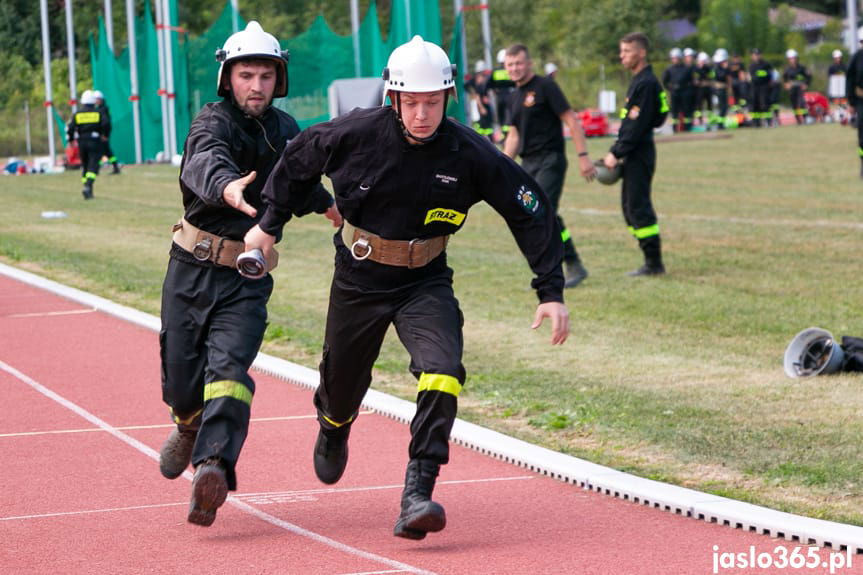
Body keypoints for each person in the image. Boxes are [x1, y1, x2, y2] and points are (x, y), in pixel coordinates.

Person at [244, 35, 570, 540]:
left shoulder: (470, 152)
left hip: (426, 279)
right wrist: (268, 225)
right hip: (359, 275)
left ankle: (419, 489)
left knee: (443, 371)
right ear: (393, 99)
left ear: (448, 98)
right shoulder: (353, 133)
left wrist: (550, 290)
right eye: (411, 102)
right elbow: (296, 162)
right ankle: (333, 428)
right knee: (341, 385)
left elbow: (530, 210)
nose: (422, 114)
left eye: (433, 103)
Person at [157, 21, 340, 528]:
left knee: (230, 372)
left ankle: (213, 466)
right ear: (228, 78)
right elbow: (204, 162)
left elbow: (299, 181)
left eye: (264, 75)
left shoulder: (287, 131)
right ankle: (188, 424)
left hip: (247, 274)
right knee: (181, 380)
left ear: (277, 79)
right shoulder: (210, 122)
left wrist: (328, 205)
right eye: (245, 75)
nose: (256, 85)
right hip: (190, 269)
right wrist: (227, 189)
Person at [501, 43, 595, 288]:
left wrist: (583, 156)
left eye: (519, 63)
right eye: (510, 65)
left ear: (529, 63)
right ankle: (563, 266)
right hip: (528, 163)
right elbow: (514, 135)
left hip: (550, 159)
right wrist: (500, 165)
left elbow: (572, 120)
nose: (515, 68)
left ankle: (570, 265)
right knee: (537, 214)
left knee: (543, 211)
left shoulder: (546, 87)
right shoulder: (513, 96)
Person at [602, 32, 669, 276]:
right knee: (630, 207)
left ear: (641, 53)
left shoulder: (646, 83)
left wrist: (615, 152)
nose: (622, 56)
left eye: (627, 51)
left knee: (638, 207)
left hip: (639, 152)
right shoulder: (641, 80)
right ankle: (650, 260)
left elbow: (636, 126)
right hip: (635, 151)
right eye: (621, 52)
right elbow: (660, 115)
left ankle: (654, 263)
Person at [66, 89, 109, 199]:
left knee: (85, 165)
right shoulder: (98, 113)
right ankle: (89, 186)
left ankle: (86, 187)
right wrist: (104, 135)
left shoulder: (78, 114)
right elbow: (106, 124)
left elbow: (70, 128)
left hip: (82, 142)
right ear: (93, 101)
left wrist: (71, 140)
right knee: (93, 165)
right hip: (94, 141)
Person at [661, 47, 693, 132]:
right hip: (674, 93)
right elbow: (664, 81)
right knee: (674, 112)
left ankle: (687, 128)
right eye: (674, 58)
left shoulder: (686, 68)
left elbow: (691, 81)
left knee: (686, 111)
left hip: (685, 93)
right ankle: (675, 129)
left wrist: (688, 90)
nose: (675, 60)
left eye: (677, 58)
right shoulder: (669, 69)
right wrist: (670, 88)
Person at [488, 48, 516, 142]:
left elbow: (488, 84)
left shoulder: (495, 71)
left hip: (499, 97)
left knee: (501, 116)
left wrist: (493, 90)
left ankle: (503, 137)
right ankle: (509, 134)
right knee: (510, 115)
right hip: (510, 96)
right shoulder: (510, 70)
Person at [92, 90, 121, 174]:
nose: (95, 101)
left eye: (96, 99)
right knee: (106, 152)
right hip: (102, 134)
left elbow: (106, 123)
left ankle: (96, 169)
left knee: (102, 152)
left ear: (100, 99)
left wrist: (104, 135)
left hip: (102, 135)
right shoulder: (102, 109)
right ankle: (115, 167)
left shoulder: (102, 110)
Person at [465, 60, 494, 141]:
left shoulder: (484, 80)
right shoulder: (476, 80)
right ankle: (479, 138)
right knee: (480, 122)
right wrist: (473, 94)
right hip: (479, 104)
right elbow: (476, 94)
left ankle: (487, 138)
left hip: (484, 103)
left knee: (487, 122)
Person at [846, 41, 863, 177]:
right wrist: (851, 102)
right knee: (862, 135)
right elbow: (850, 80)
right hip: (861, 101)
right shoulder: (856, 58)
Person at [782, 49, 811, 125]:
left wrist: (806, 84)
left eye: (794, 58)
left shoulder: (802, 68)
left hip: (800, 88)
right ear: (788, 59)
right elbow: (784, 79)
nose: (793, 60)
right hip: (792, 89)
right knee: (794, 104)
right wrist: (786, 84)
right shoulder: (787, 69)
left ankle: (805, 118)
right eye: (791, 58)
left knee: (801, 103)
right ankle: (798, 119)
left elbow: (808, 76)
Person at [748, 48, 774, 127]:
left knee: (765, 104)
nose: (756, 56)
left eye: (758, 54)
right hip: (754, 88)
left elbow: (768, 75)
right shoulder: (751, 66)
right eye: (754, 55)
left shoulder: (766, 65)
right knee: (755, 105)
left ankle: (768, 122)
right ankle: (756, 122)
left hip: (764, 87)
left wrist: (756, 76)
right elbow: (750, 77)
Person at [711, 48, 733, 129]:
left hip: (723, 89)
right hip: (719, 90)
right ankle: (720, 124)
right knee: (722, 107)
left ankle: (721, 123)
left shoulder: (720, 66)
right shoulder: (717, 67)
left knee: (724, 107)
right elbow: (720, 76)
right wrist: (725, 68)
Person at [693, 51, 713, 127]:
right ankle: (700, 120)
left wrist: (705, 80)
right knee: (699, 106)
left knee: (709, 105)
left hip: (708, 89)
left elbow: (711, 76)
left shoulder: (708, 68)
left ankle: (710, 120)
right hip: (699, 90)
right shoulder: (695, 69)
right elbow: (695, 79)